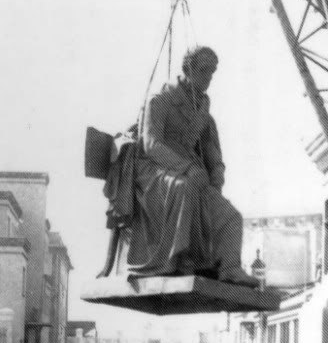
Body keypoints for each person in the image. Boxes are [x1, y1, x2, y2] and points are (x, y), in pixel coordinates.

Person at [106, 46, 258, 286]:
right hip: (153, 171)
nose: (208, 78)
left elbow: (213, 153)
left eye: (212, 73)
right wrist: (186, 168)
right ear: (188, 69)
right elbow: (151, 144)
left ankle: (230, 267)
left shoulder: (204, 114)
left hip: (191, 174)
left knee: (232, 217)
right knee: (184, 187)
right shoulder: (161, 101)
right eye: (204, 71)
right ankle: (179, 260)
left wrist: (217, 174)